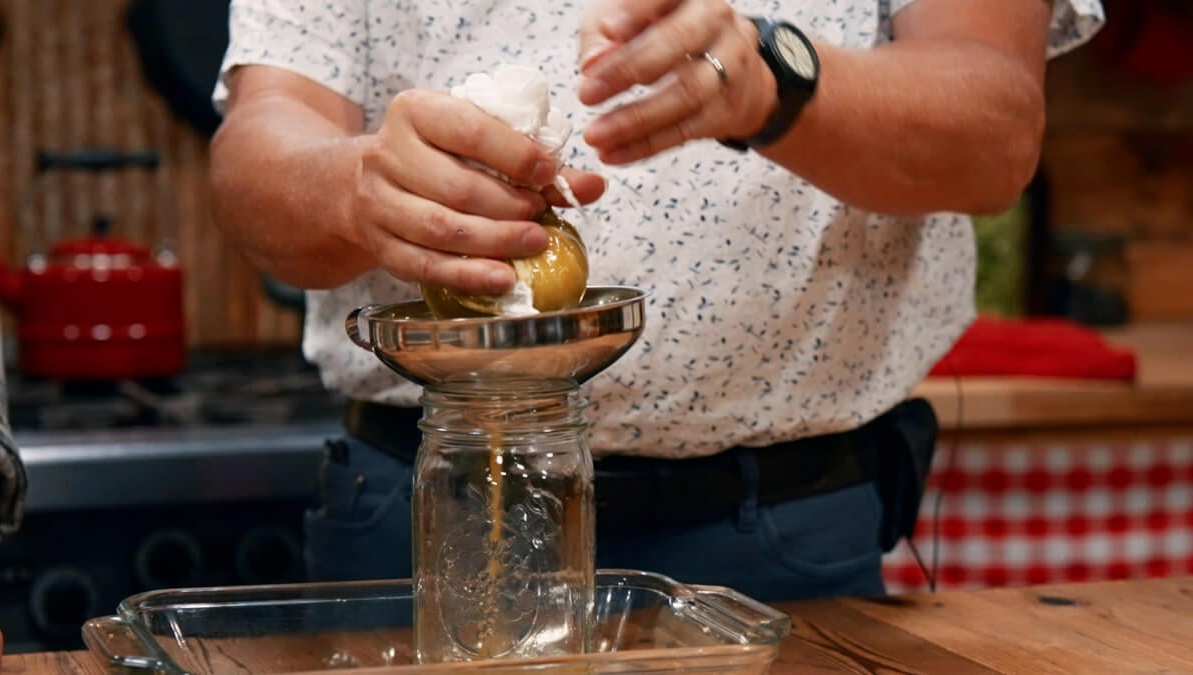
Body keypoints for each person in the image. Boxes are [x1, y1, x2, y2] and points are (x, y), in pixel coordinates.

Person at [208, 0, 1103, 602]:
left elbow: (996, 128)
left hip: (779, 532)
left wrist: (776, 80)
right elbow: (257, 150)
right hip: (425, 515)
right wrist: (352, 186)